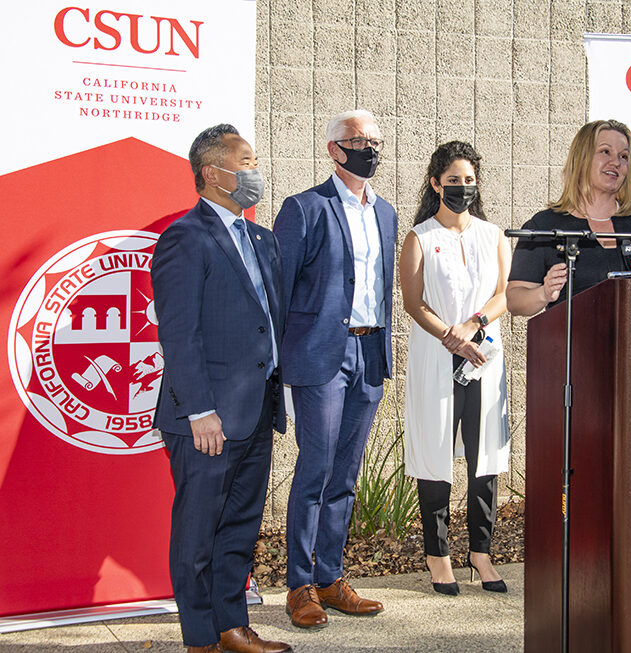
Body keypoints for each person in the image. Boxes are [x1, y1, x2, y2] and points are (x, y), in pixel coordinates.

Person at [152, 124, 291, 653]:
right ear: (213, 174)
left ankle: (232, 626)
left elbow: (269, 323)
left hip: (257, 410)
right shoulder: (184, 238)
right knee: (198, 532)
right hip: (207, 418)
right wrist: (199, 410)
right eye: (246, 161)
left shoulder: (262, 238)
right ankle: (200, 639)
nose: (254, 173)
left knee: (239, 524)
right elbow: (178, 333)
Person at [273, 109, 394, 628]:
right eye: (358, 140)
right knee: (316, 469)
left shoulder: (386, 213)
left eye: (376, 140)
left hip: (369, 354)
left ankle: (330, 577)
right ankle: (300, 585)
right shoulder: (303, 208)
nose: (369, 147)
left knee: (345, 473)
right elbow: (278, 286)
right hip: (321, 354)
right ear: (333, 149)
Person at [398, 142, 511, 596]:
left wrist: (474, 326)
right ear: (434, 184)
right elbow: (412, 301)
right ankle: (438, 554)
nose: (462, 188)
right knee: (435, 455)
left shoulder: (494, 235)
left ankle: (480, 553)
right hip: (437, 358)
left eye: (468, 181)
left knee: (486, 456)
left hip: (484, 356)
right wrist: (451, 337)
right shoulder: (419, 237)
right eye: (453, 181)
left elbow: (504, 294)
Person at [506, 119, 631, 315]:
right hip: (573, 342)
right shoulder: (546, 225)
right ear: (581, 158)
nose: (616, 162)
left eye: (623, 156)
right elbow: (515, 300)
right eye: (605, 151)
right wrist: (544, 293)